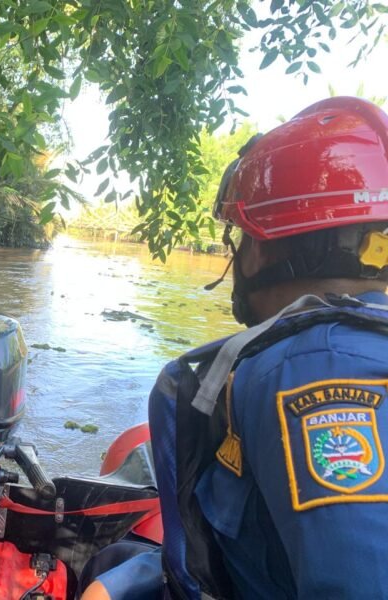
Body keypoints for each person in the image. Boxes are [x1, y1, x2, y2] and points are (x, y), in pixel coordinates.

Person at [81, 96, 388, 599]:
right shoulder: (344, 348)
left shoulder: (308, 373)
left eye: (239, 239)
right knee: (115, 561)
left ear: (262, 245)